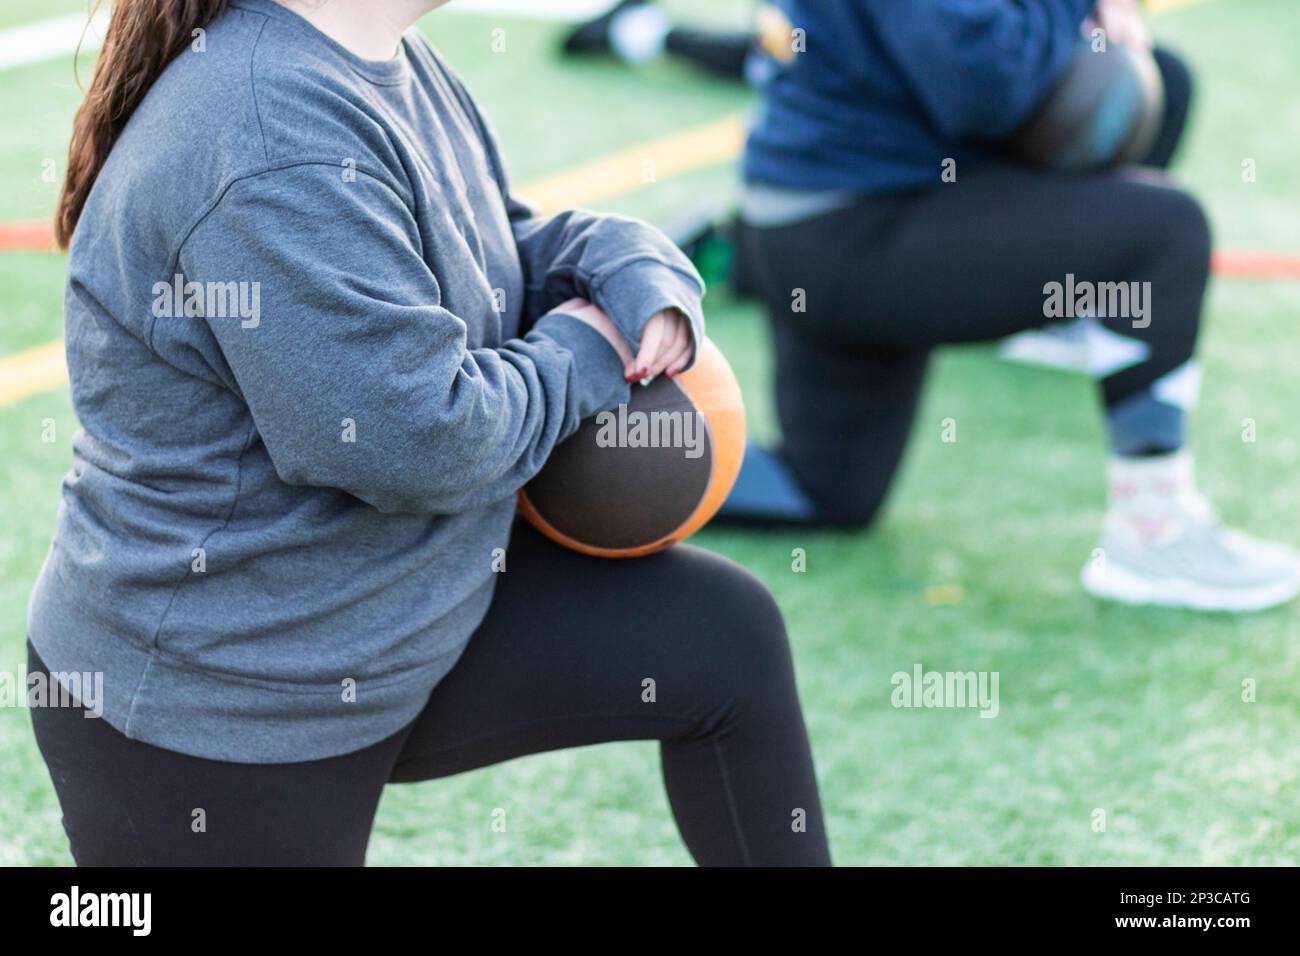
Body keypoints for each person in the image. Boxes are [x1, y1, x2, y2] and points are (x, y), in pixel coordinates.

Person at [28, 0, 830, 866]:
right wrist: (589, 351)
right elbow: (417, 441)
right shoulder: (269, 128)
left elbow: (504, 257)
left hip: (400, 607)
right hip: (227, 706)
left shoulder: (378, 54)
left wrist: (632, 263)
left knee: (720, 638)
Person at [715, 0, 1300, 612]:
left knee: (824, 492)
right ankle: (1152, 533)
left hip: (813, 216)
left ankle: (610, 474)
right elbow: (983, 84)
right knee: (1165, 231)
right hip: (856, 232)